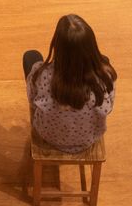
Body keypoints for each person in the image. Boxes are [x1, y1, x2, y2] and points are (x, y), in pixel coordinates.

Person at [23, 14, 117, 153]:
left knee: (31, 56)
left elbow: (32, 101)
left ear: (58, 46)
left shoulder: (42, 75)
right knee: (105, 60)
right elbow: (110, 106)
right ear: (91, 46)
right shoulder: (105, 77)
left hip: (49, 135)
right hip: (88, 138)